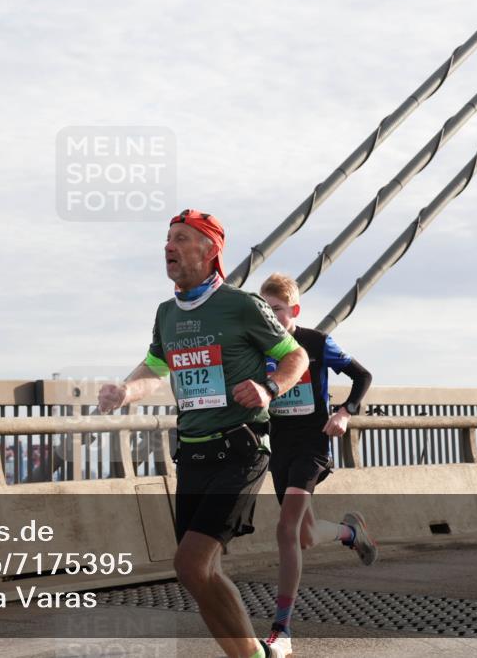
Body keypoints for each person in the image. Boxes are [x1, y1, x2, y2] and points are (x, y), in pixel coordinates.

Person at [99, 210, 308, 658]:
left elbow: (296, 356)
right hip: (193, 455)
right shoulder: (166, 314)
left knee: (190, 564)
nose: (168, 247)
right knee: (199, 572)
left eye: (180, 239)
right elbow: (157, 366)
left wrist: (270, 387)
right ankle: (253, 653)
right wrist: (126, 390)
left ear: (210, 250)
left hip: (241, 448)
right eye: (167, 240)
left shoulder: (242, 305)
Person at [258, 272, 377, 656]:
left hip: (313, 444)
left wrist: (345, 412)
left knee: (286, 528)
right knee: (305, 536)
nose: (270, 316)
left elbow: (363, 375)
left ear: (293, 310)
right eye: (264, 309)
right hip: (280, 447)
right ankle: (350, 533)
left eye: (276, 310)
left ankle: (282, 632)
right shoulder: (257, 347)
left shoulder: (315, 342)